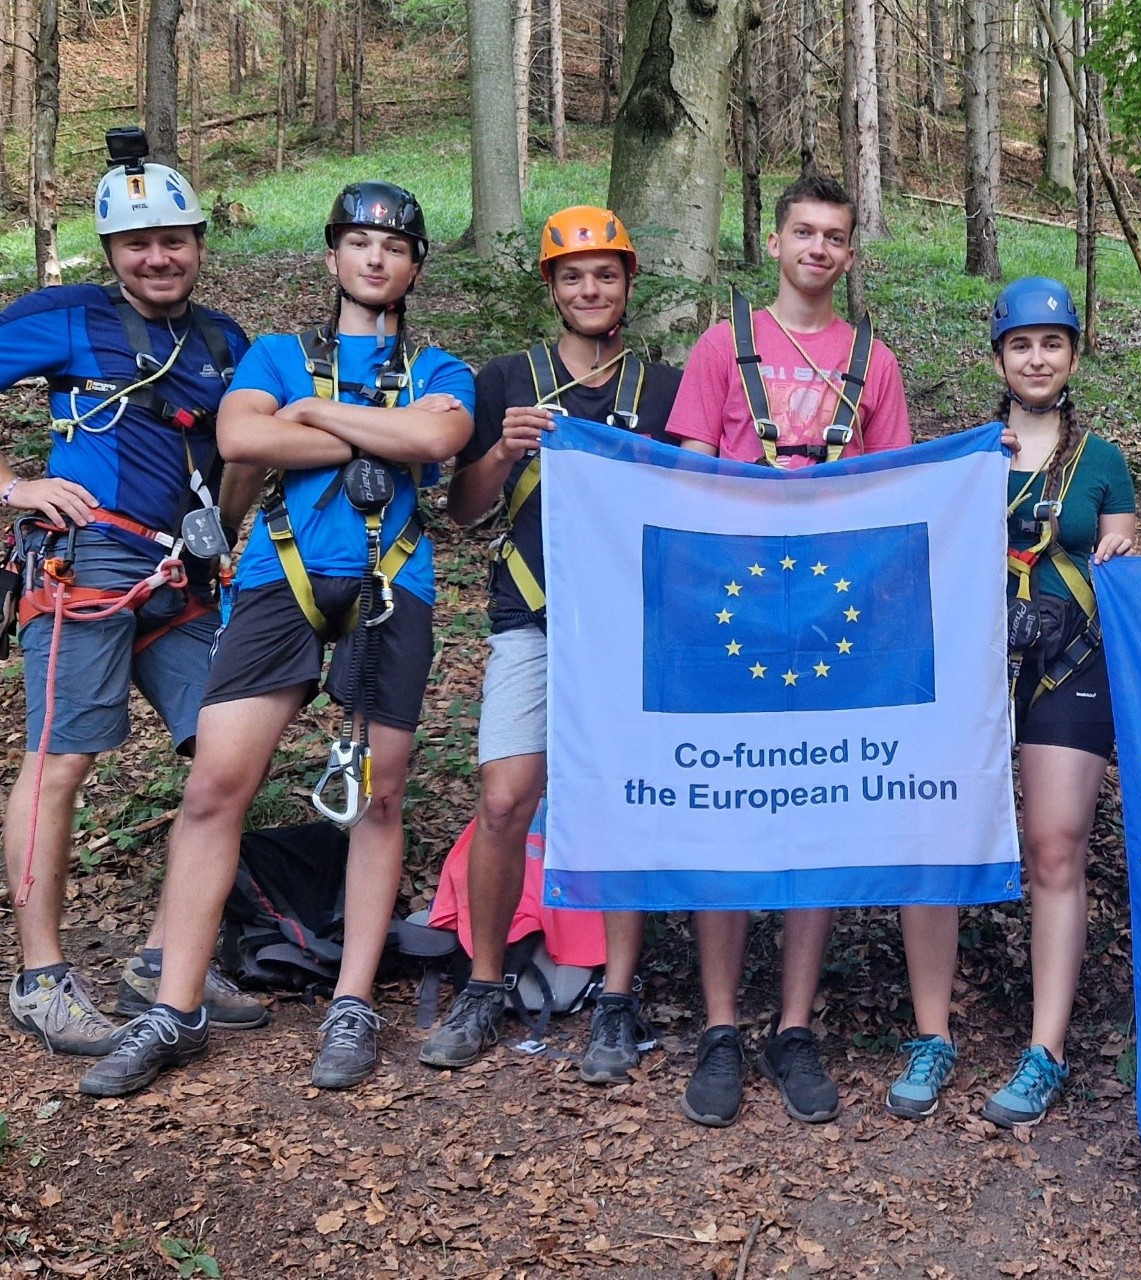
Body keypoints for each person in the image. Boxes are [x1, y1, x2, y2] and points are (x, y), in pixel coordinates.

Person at [77, 182, 475, 1098]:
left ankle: (352, 1000)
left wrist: (311, 418)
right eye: (359, 244)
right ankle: (174, 1005)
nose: (376, 259)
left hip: (391, 585)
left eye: (395, 247)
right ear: (333, 258)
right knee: (216, 783)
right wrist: (358, 430)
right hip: (276, 583)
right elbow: (238, 436)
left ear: (413, 268)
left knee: (379, 796)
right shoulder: (274, 353)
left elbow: (431, 438)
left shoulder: (442, 367)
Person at [0, 128, 266, 1057]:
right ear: (111, 253)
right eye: (137, 243)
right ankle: (40, 978)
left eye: (175, 239)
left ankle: (163, 957)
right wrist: (17, 486)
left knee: (224, 757)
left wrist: (227, 542)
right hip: (90, 566)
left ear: (199, 242)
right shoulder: (64, 317)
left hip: (185, 576)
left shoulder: (225, 340)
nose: (159, 257)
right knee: (62, 758)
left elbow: (242, 452)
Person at [663, 171, 910, 1127]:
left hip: (833, 625)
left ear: (849, 254)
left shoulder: (873, 362)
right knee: (728, 812)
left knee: (819, 812)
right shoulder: (722, 347)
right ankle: (721, 1027)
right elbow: (680, 484)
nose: (818, 249)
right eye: (803, 232)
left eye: (835, 237)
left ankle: (794, 1027)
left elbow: (895, 493)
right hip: (731, 619)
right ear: (775, 242)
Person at [420, 206, 681, 1083]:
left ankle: (615, 995)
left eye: (605, 274)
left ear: (628, 282)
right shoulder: (508, 379)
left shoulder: (665, 386)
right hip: (529, 614)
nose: (590, 289)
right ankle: (485, 984)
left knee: (620, 805)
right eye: (573, 276)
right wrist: (499, 450)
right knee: (505, 798)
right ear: (551, 288)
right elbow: (462, 510)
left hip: (633, 626)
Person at [889, 276, 1135, 1127]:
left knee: (1057, 846)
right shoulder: (963, 452)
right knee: (933, 837)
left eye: (1053, 343)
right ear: (1000, 354)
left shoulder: (1101, 457)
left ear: (1073, 354)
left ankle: (1045, 1049)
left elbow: (1119, 537)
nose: (1038, 357)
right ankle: (931, 1034)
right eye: (1022, 343)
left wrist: (1120, 541)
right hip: (966, 669)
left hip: (1068, 665)